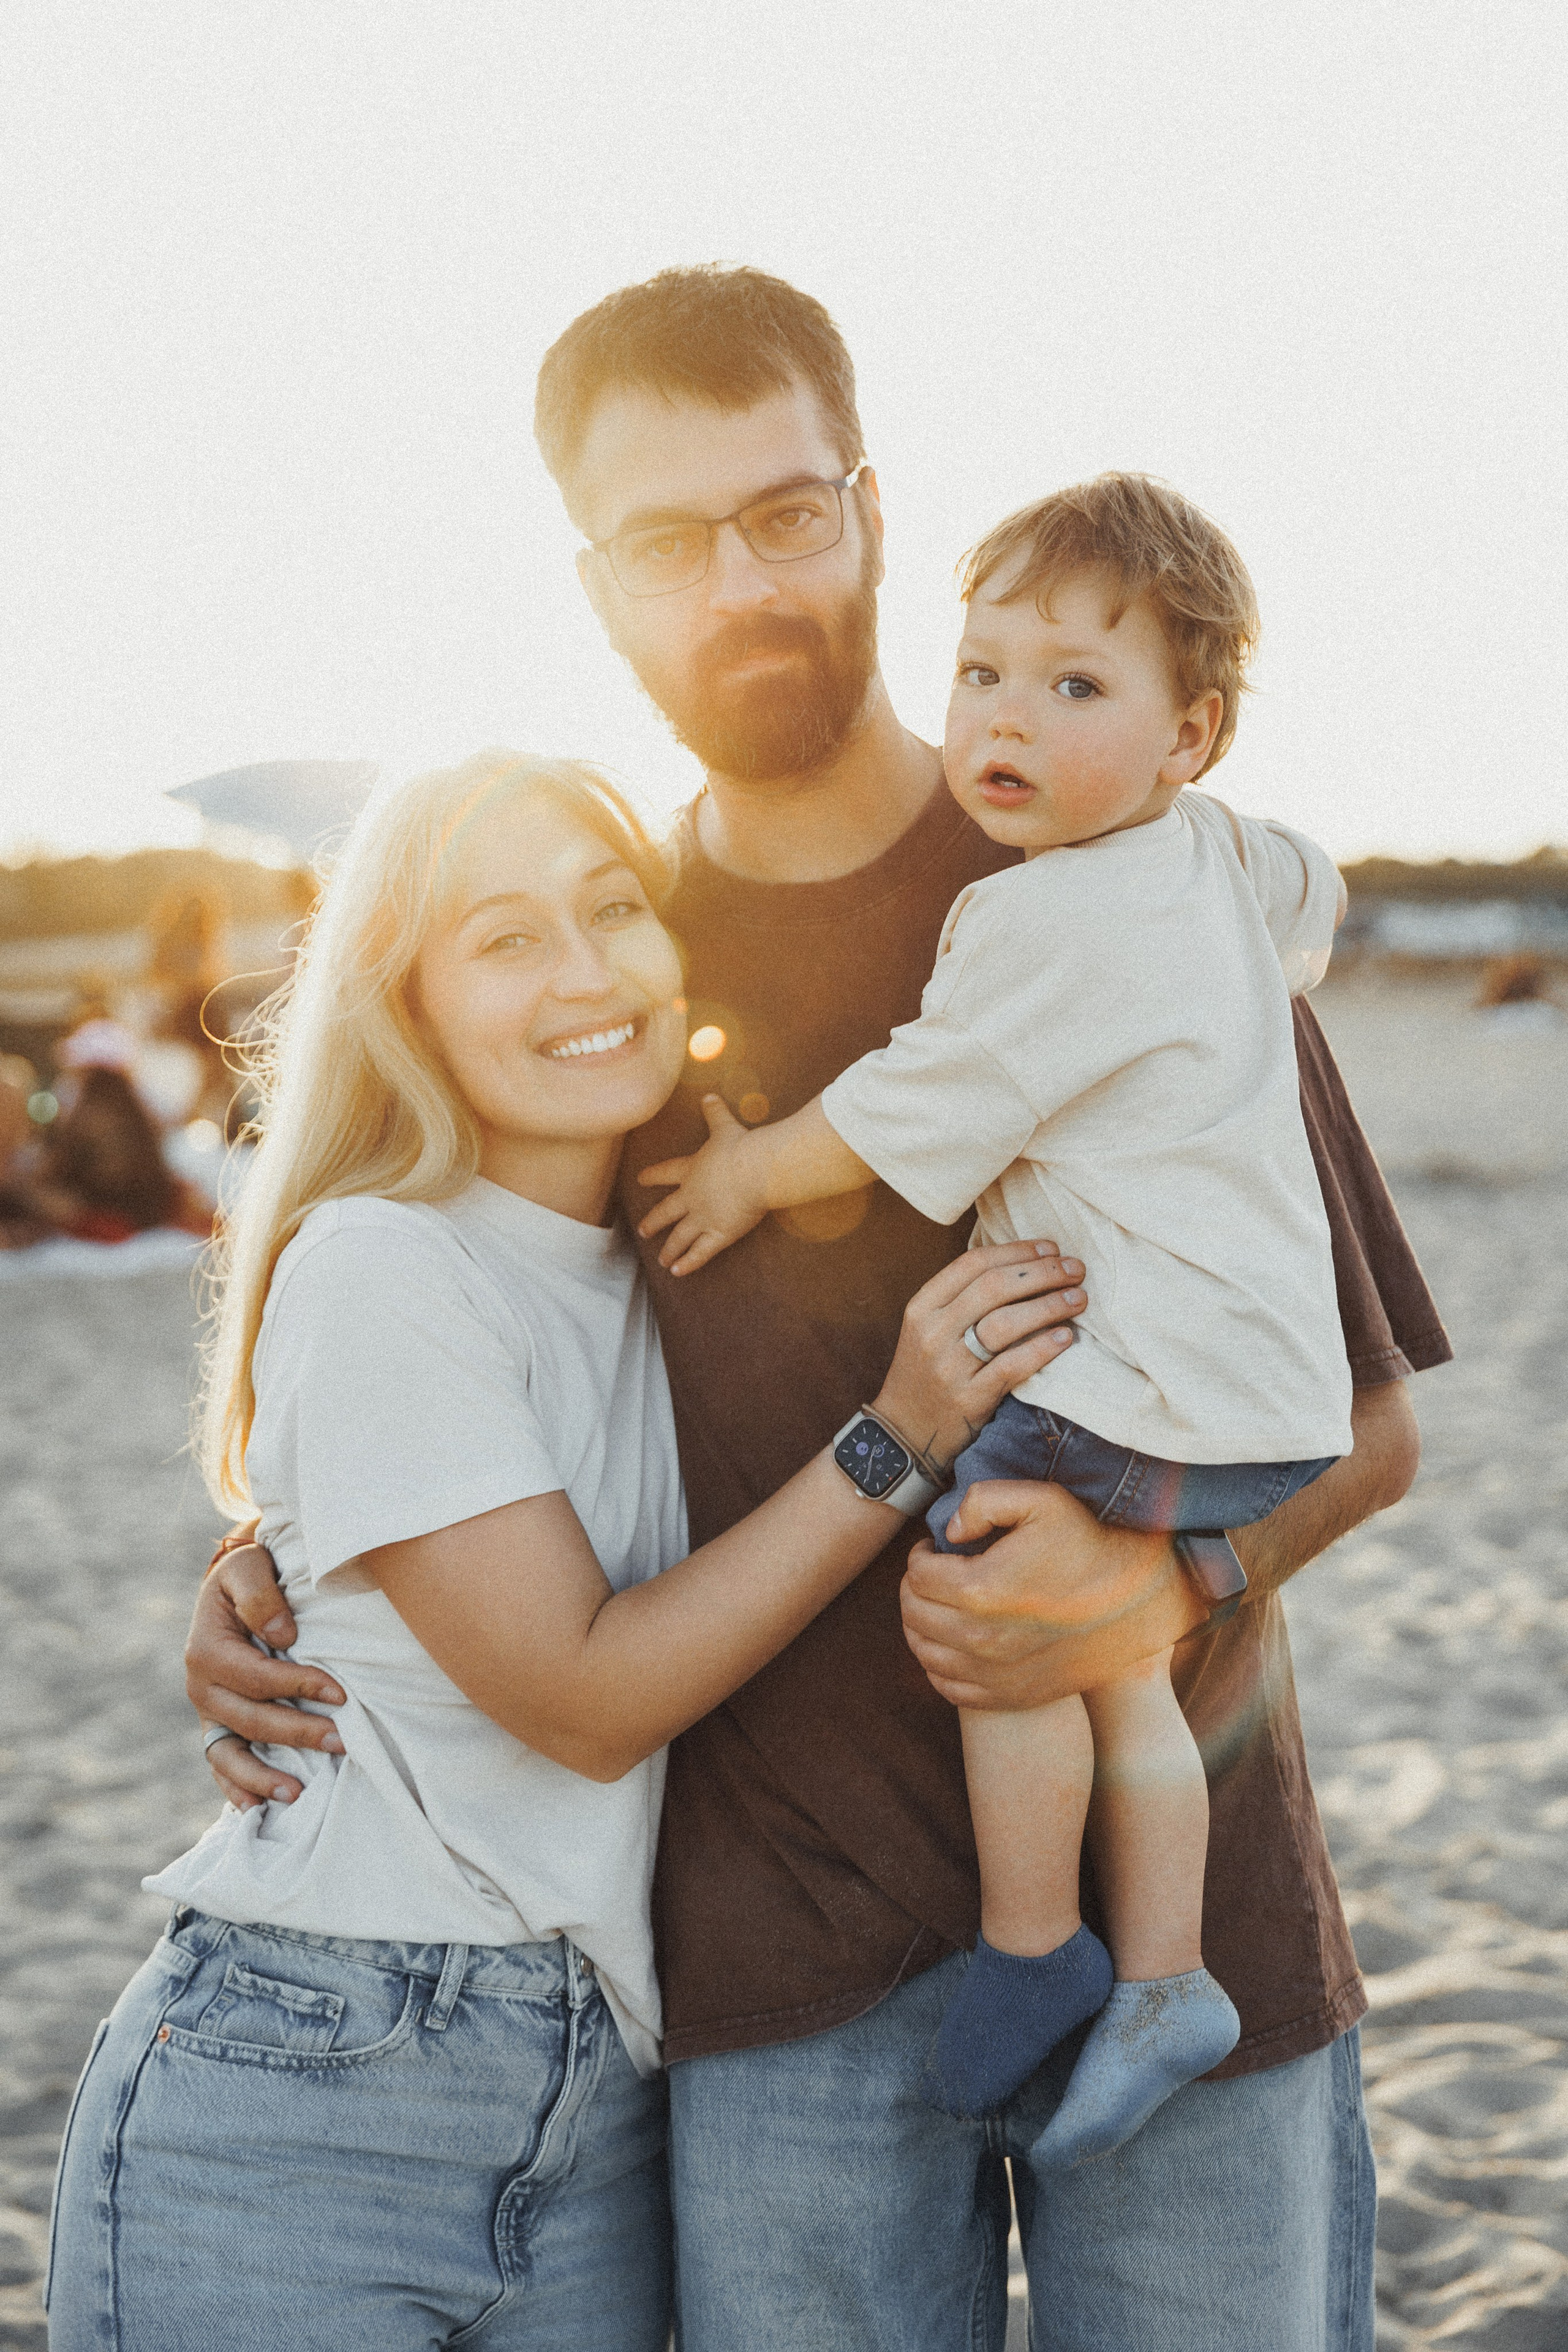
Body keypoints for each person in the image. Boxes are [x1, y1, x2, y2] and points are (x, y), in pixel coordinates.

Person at [185, 267, 1450, 2351]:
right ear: (593, 586)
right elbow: (470, 1333)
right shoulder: (600, 970)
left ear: (869, 507)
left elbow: (1372, 1419)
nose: (743, 584)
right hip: (780, 1973)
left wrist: (1167, 1575)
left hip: (1185, 1932)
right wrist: (278, 1555)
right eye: (669, 542)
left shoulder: (1134, 878)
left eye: (787, 514)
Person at [47, 753, 1066, 2351]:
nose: (585, 974)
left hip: (598, 2099)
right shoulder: (386, 1259)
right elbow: (581, 1699)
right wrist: (901, 1435)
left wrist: (271, 1550)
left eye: (612, 912)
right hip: (313, 2084)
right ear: (412, 1002)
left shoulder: (672, 1273)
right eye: (506, 939)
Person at [638, 471, 1355, 2150]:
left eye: (1074, 687)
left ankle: (1036, 1943)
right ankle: (1163, 1972)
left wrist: (744, 1180)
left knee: (995, 1599)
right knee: (1121, 1679)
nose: (1005, 718)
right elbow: (1310, 899)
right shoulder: (1221, 857)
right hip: (1258, 1395)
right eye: (983, 674)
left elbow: (906, 1116)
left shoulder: (1046, 916)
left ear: (1194, 735)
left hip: (1147, 1384)